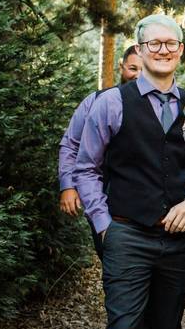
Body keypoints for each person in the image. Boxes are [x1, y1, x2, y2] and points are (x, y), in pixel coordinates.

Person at [74, 15, 185, 329]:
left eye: (171, 44)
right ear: (140, 50)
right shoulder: (111, 104)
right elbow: (86, 167)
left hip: (178, 243)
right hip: (127, 234)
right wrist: (104, 226)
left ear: (180, 51)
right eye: (154, 44)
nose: (163, 50)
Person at [58, 45, 141, 219]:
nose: (138, 75)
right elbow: (71, 144)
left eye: (143, 69)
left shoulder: (162, 106)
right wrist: (68, 186)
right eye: (133, 68)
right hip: (100, 196)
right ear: (122, 66)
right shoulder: (95, 100)